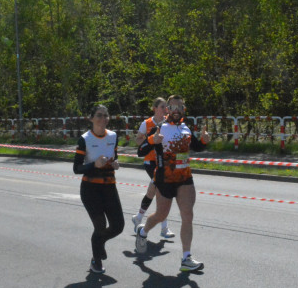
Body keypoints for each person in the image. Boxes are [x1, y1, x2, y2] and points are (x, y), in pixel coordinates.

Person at [134, 94, 208, 272]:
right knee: (161, 215)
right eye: (173, 107)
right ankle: (143, 232)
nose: (176, 110)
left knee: (187, 215)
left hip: (184, 178)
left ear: (183, 109)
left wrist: (204, 140)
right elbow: (140, 151)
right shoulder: (160, 128)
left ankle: (186, 258)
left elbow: (197, 147)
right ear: (167, 109)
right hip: (165, 179)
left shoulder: (185, 128)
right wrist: (151, 140)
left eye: (179, 107)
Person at [74, 105, 125, 274]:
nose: (103, 119)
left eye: (105, 116)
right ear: (91, 118)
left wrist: (115, 163)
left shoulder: (113, 136)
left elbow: (114, 157)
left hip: (109, 186)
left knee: (118, 226)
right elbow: (77, 168)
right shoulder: (85, 139)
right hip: (90, 189)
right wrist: (94, 165)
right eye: (99, 115)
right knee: (100, 225)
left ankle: (99, 242)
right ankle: (96, 261)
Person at [131, 97, 175, 239]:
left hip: (164, 161)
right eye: (162, 106)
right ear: (155, 108)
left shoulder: (168, 122)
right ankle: (164, 228)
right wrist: (150, 140)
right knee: (162, 190)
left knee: (154, 190)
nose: (165, 109)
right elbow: (138, 140)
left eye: (166, 107)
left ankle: (138, 217)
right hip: (151, 161)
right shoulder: (147, 123)